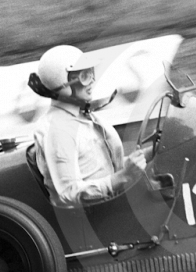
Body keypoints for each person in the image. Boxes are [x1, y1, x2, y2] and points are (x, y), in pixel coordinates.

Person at [28, 45, 147, 207]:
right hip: (96, 219)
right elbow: (69, 193)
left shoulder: (86, 116)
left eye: (91, 73)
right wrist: (123, 177)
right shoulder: (57, 131)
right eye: (84, 76)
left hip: (116, 205)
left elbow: (103, 169)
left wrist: (150, 152)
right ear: (63, 83)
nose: (92, 81)